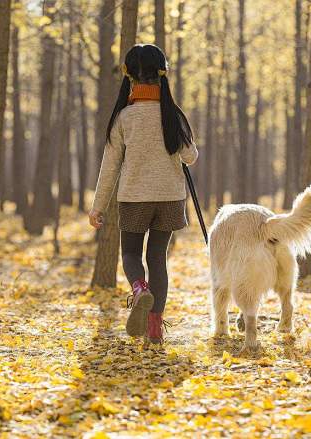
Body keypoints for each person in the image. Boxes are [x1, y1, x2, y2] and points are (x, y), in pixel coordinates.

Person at [88, 44, 198, 344]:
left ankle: (139, 290)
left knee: (131, 254)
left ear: (129, 76)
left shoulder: (124, 118)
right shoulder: (173, 114)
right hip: (169, 198)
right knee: (157, 258)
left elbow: (109, 167)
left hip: (134, 198)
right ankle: (154, 331)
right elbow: (191, 156)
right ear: (162, 75)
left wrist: (98, 207)